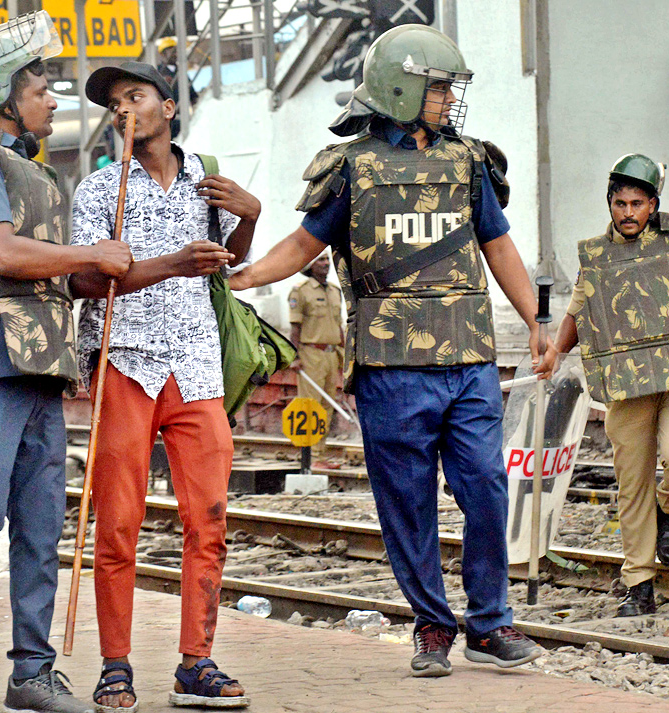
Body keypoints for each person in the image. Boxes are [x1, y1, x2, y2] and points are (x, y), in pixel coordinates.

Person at [230, 24, 548, 677]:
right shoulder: (352, 167)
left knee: (487, 486)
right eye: (439, 88)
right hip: (389, 364)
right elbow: (304, 244)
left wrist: (537, 321)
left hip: (468, 357)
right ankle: (433, 626)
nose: (449, 100)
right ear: (401, 87)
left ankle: (489, 623)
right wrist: (246, 276)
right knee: (406, 501)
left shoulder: (468, 163)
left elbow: (500, 247)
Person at [0, 13, 132, 713]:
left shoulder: (35, 173)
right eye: (41, 84)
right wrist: (88, 257)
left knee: (42, 526)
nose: (52, 97)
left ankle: (31, 671)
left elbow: (54, 275)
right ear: (2, 97)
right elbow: (2, 255)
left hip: (37, 369)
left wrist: (117, 271)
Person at [69, 61, 261, 711]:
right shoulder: (99, 190)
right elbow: (89, 281)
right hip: (124, 359)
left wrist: (252, 216)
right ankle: (115, 663)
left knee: (207, 518)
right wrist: (170, 265)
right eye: (114, 103)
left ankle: (195, 662)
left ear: (168, 107)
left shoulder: (207, 183)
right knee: (117, 522)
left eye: (136, 97)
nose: (124, 109)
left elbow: (232, 268)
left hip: (197, 363)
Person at [545, 154, 669, 616]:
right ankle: (639, 583)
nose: (628, 212)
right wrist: (555, 352)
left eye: (637, 203)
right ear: (610, 204)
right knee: (631, 486)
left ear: (653, 205)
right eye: (620, 203)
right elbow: (578, 308)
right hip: (626, 382)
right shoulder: (596, 255)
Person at [288, 250, 346, 465]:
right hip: (310, 353)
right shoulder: (300, 292)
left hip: (331, 354)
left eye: (327, 259)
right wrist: (294, 357)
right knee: (311, 406)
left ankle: (319, 455)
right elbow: (295, 327)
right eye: (320, 260)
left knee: (328, 405)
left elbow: (338, 325)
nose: (325, 264)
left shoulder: (334, 291)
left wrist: (344, 352)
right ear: (309, 265)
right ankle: (311, 457)